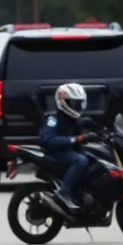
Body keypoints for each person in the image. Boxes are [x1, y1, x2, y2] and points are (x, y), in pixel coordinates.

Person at [40, 82, 94, 213]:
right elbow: (49, 140)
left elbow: (80, 136)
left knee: (93, 157)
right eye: (74, 103)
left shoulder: (72, 120)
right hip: (55, 152)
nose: (77, 107)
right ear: (62, 101)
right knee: (80, 160)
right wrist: (76, 139)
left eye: (79, 103)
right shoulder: (53, 118)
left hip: (67, 150)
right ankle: (63, 193)